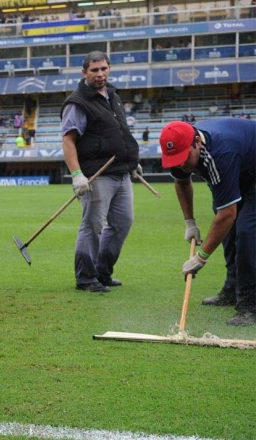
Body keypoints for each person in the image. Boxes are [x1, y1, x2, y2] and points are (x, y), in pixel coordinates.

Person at [158, 119, 256, 326]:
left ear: (197, 143)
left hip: (252, 166)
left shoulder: (220, 153)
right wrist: (190, 222)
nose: (182, 164)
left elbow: (227, 214)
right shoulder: (179, 148)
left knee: (247, 232)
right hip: (239, 168)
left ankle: (249, 305)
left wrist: (201, 258)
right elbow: (182, 182)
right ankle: (231, 289)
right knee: (227, 233)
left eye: (185, 157)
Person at [60, 51, 139, 293]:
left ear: (109, 68)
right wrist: (76, 175)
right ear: (84, 72)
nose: (100, 74)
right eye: (94, 70)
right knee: (92, 226)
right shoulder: (78, 103)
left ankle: (102, 272)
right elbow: (68, 141)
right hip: (97, 175)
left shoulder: (112, 95)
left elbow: (120, 131)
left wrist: (131, 160)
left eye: (104, 68)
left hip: (121, 173)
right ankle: (85, 278)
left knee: (123, 223)